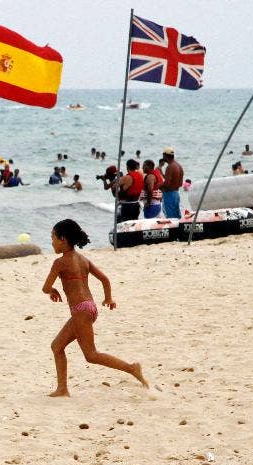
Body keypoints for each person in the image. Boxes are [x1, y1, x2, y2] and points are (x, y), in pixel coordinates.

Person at [42, 219, 147, 397]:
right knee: (57, 346)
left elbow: (45, 288)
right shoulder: (83, 259)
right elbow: (105, 280)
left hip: (80, 310)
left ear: (63, 239)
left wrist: (52, 290)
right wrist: (108, 298)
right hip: (89, 308)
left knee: (91, 355)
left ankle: (132, 368)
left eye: (53, 237)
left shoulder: (60, 263)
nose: (51, 241)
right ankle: (62, 389)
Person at [159, 147, 184, 219]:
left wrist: (158, 185)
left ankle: (173, 230)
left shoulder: (170, 167)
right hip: (176, 193)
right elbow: (180, 183)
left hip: (169, 194)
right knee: (177, 216)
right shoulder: (179, 166)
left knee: (170, 217)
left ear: (165, 155)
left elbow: (166, 184)